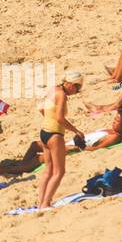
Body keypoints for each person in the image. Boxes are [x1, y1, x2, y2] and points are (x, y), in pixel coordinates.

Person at [37, 70, 86, 209]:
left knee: (48, 170)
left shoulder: (53, 89)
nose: (77, 91)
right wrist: (76, 130)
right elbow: (60, 118)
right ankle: (46, 203)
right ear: (69, 83)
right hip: (55, 134)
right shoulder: (62, 95)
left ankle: (40, 203)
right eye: (77, 87)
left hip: (44, 132)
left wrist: (49, 120)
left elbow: (41, 109)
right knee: (59, 172)